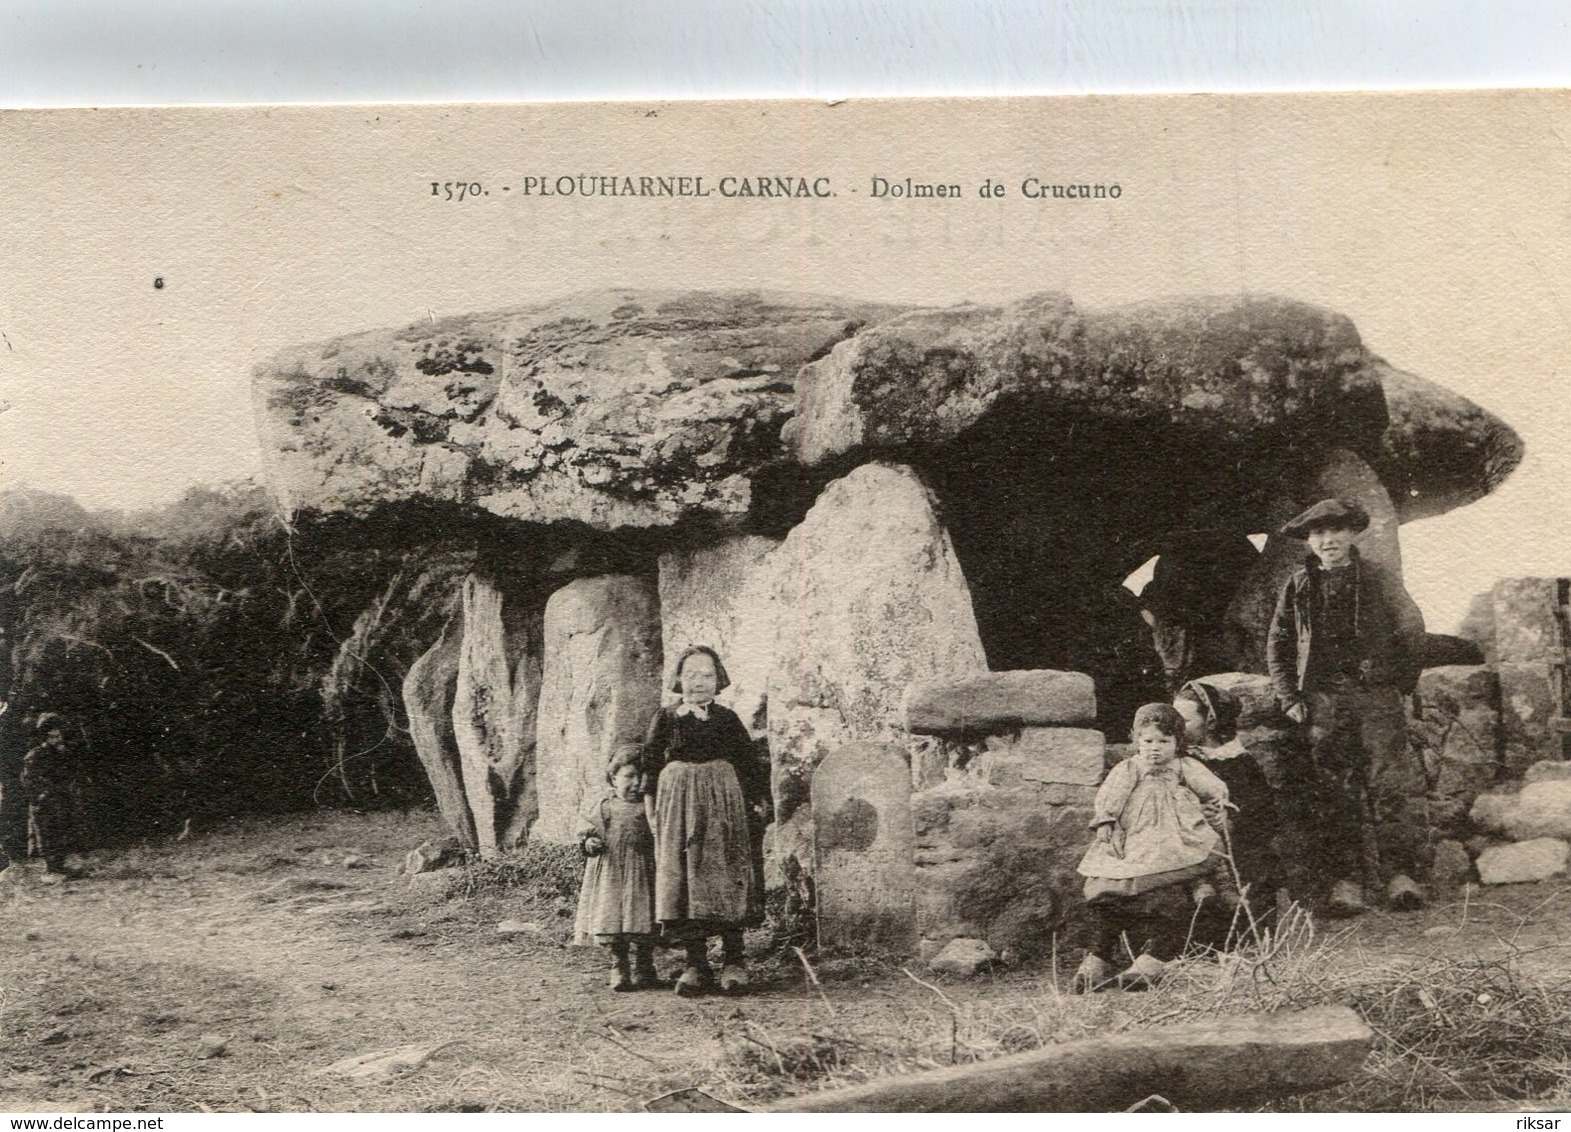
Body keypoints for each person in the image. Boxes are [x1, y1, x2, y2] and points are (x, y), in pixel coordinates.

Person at [1266, 498, 1427, 915]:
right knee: (1334, 790)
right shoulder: (1299, 584)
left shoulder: (1376, 579)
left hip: (1375, 698)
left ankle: (1400, 877)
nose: (1327, 540)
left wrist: (1399, 684)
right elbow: (1278, 643)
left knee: (1388, 786)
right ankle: (1347, 882)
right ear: (1309, 541)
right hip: (1322, 701)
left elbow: (1411, 628)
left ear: (1352, 533)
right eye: (1317, 533)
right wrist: (1289, 697)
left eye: (1335, 530)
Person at [1073, 703, 1230, 992]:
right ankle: (1099, 960)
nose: (1154, 749)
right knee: (1113, 882)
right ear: (1135, 740)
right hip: (1137, 836)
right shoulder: (1129, 768)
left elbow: (1211, 786)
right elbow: (1111, 795)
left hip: (1176, 833)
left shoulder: (1184, 766)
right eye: (1147, 741)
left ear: (1177, 742)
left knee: (1181, 870)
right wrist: (1106, 821)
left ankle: (1194, 888)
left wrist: (1219, 803)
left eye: (1164, 742)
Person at [642, 645, 770, 997]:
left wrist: (757, 803)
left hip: (723, 808)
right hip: (677, 809)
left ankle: (733, 961)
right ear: (679, 679)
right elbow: (650, 768)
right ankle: (696, 964)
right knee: (684, 880)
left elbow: (748, 764)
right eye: (692, 675)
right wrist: (652, 812)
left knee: (725, 876)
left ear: (719, 680)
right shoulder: (665, 718)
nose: (699, 682)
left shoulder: (727, 719)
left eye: (707, 675)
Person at [1173, 680, 1281, 940]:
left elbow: (1265, 814)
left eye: (1184, 722)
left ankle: (1249, 936)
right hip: (1188, 843)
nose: (1176, 729)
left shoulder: (1240, 762)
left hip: (1236, 846)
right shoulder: (1177, 760)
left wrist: (1231, 820)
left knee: (1256, 868)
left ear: (1210, 722)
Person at [574, 744, 660, 991]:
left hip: (643, 869)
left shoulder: (649, 806)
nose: (636, 783)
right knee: (612, 916)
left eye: (642, 777)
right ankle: (619, 965)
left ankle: (645, 965)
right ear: (613, 777)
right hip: (612, 871)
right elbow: (587, 832)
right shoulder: (604, 806)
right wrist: (589, 842)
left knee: (644, 915)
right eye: (629, 776)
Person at [22, 713, 80, 882]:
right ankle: (50, 870)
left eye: (59, 735)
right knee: (47, 835)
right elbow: (30, 779)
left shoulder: (60, 754)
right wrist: (42, 795)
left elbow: (67, 774)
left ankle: (60, 866)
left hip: (60, 800)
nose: (58, 739)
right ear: (45, 737)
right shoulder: (35, 756)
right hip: (44, 803)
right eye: (54, 737)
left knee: (61, 832)